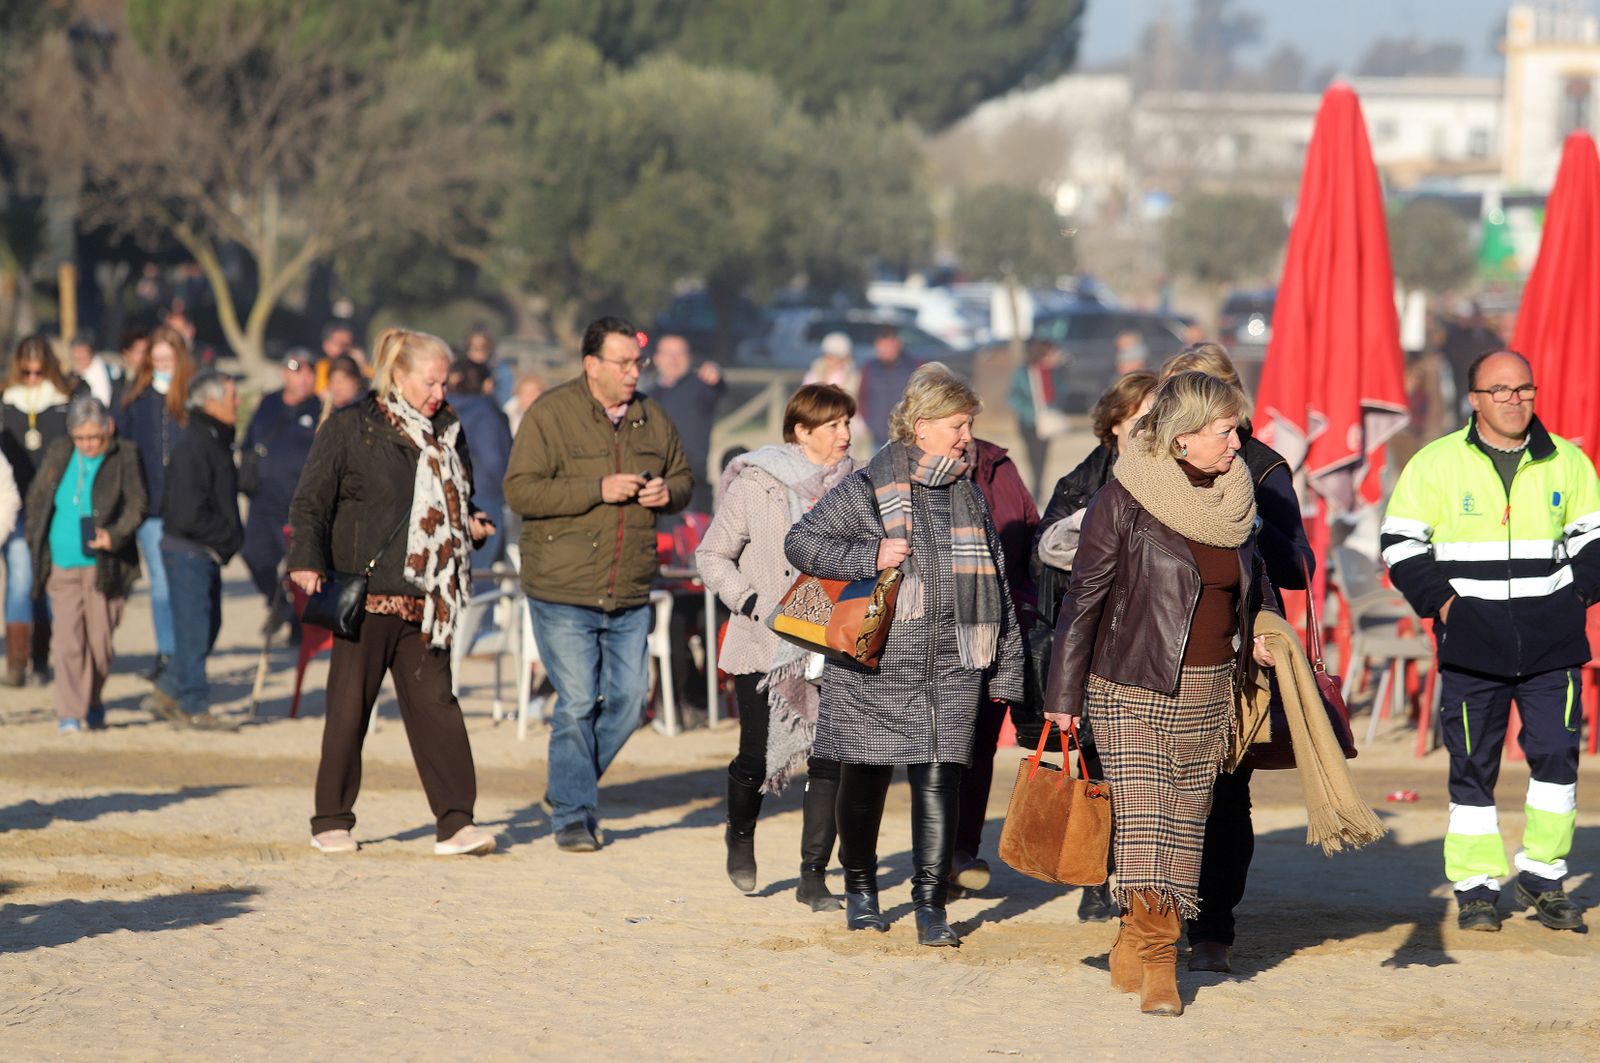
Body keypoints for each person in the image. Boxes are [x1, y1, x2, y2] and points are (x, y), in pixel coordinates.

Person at [1043, 371, 1279, 1016]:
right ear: (1183, 437)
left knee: (1185, 825)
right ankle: (1158, 959)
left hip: (1210, 688)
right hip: (1129, 684)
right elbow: (1083, 600)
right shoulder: (1122, 498)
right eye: (1226, 431)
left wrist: (1261, 630)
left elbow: (1250, 590)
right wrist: (1061, 695)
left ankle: (1132, 933)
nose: (1239, 443)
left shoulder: (1237, 501)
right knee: (1147, 822)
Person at [784, 363, 1024, 947]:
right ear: (922, 427)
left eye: (967, 425)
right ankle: (862, 890)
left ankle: (930, 904)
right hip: (873, 665)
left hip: (953, 665)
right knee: (863, 782)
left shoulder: (970, 494)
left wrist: (1010, 666)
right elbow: (803, 541)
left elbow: (997, 581)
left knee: (941, 782)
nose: (967, 436)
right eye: (958, 425)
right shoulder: (869, 485)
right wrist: (871, 553)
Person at [1381, 350, 1598, 934]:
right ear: (1474, 400)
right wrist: (1447, 606)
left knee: (1555, 756)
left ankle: (1544, 874)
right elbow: (1400, 543)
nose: (1513, 399)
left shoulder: (1570, 463)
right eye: (1498, 390)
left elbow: (1594, 540)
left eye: (1523, 388)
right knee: (1473, 765)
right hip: (1472, 648)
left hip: (1554, 648)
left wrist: (1572, 599)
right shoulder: (1435, 464)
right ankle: (1477, 887)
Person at [288, 327, 498, 857]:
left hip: (431, 596)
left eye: (444, 383)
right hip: (367, 593)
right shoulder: (351, 427)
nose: (440, 394)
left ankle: (456, 823)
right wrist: (306, 561)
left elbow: (458, 496)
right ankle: (331, 819)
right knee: (348, 709)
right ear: (398, 377)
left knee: (439, 708)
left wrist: (470, 521)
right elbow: (312, 501)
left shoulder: (449, 429)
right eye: (430, 382)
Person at [503, 315, 693, 852]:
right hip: (562, 587)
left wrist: (669, 495)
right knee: (580, 700)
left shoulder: (653, 418)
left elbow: (684, 477)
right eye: (624, 363)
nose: (635, 372)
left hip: (629, 585)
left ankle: (567, 784)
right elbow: (521, 492)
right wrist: (596, 488)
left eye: (639, 363)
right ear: (592, 365)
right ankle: (571, 815)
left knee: (631, 702)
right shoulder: (550, 414)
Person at [1156, 343, 1313, 971]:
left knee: (1223, 791)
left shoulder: (1263, 466)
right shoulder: (1141, 461)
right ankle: (1149, 917)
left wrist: (1245, 520)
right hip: (1154, 648)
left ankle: (1213, 926)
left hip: (1235, 651)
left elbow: (1295, 563)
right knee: (1150, 791)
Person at [695, 383, 859, 908]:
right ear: (801, 431)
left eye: (847, 423)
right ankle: (739, 834)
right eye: (832, 425)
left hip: (833, 643)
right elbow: (712, 555)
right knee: (756, 757)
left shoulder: (858, 485)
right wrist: (750, 603)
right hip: (764, 644)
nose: (845, 434)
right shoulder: (757, 483)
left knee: (830, 761)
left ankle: (813, 876)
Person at [1031, 370, 1158, 921]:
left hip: (1150, 643)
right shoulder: (1079, 485)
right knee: (1097, 767)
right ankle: (1095, 878)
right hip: (1094, 643)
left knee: (1145, 771)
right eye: (1139, 419)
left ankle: (1142, 879)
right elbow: (1048, 561)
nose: (1149, 428)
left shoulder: (1174, 482)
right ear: (1113, 425)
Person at [949, 433, 1039, 897]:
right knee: (943, 750)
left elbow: (1030, 535)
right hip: (941, 634)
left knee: (981, 744)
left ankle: (962, 851)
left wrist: (1024, 602)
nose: (963, 430)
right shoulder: (899, 469)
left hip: (1001, 631)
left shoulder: (1001, 467)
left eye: (966, 420)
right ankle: (938, 857)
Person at [23, 397, 145, 731]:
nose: (88, 444)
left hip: (104, 566)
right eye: (81, 438)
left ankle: (92, 700)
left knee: (100, 644)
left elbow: (137, 504)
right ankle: (69, 712)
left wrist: (114, 535)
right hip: (61, 563)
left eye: (94, 437)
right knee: (67, 641)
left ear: (108, 429)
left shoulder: (125, 454)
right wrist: (36, 541)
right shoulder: (60, 452)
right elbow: (37, 499)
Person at [143, 371, 242, 730]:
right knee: (194, 630)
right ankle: (193, 705)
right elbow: (186, 513)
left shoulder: (214, 439)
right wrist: (227, 537)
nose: (238, 402)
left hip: (202, 550)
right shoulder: (195, 445)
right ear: (211, 403)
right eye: (232, 395)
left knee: (207, 624)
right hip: (189, 550)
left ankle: (168, 690)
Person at [119, 325, 195, 683]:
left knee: (188, 584)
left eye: (169, 358)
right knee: (162, 585)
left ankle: (188, 652)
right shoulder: (137, 400)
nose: (163, 364)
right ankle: (168, 651)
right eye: (158, 358)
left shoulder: (192, 397)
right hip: (151, 510)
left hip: (187, 508)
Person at [1, 336, 72, 686]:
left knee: (42, 581)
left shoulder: (62, 403)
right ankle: (16, 662)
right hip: (13, 505)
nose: (31, 377)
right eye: (25, 370)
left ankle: (41, 658)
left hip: (52, 507)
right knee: (19, 580)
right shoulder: (6, 402)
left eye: (38, 370)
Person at [240, 350, 321, 640]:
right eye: (297, 371)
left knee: (299, 568)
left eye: (309, 372)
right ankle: (281, 608)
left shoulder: (320, 409)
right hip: (264, 499)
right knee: (254, 556)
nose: (303, 378)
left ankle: (300, 627)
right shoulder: (269, 403)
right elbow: (250, 439)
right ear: (284, 374)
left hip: (298, 503)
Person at [647, 334, 724, 514]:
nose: (673, 359)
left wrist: (715, 371)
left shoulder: (699, 387)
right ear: (657, 358)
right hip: (656, 488)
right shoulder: (647, 395)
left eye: (679, 353)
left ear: (689, 357)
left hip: (693, 488)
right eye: (668, 353)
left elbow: (717, 386)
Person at [446, 359, 512, 569]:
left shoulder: (443, 408)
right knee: (480, 580)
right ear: (486, 383)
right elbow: (493, 461)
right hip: (484, 498)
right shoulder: (485, 413)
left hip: (447, 497)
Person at [1007, 339, 1068, 499]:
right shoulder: (1024, 372)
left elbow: (1060, 394)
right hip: (1028, 422)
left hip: (1047, 421)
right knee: (1032, 456)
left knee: (1042, 456)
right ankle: (1035, 489)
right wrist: (1031, 413)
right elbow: (1013, 397)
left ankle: (1038, 490)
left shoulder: (1055, 373)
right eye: (1051, 352)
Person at [856, 324, 919, 448]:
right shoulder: (870, 368)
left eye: (886, 346)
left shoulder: (914, 366)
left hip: (906, 437)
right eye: (880, 346)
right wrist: (869, 422)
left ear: (897, 344)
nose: (883, 351)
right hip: (878, 437)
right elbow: (862, 396)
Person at [67, 331, 125, 410]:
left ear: (91, 353)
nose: (79, 361)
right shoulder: (74, 374)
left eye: (83, 358)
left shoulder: (99, 374)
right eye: (76, 358)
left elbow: (103, 404)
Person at [464, 324, 516, 408]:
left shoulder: (500, 370)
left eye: (482, 348)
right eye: (473, 347)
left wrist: (489, 394)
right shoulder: (462, 368)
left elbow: (504, 401)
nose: (477, 353)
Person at [323, 354, 367, 419]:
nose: (336, 387)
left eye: (341, 382)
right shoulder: (326, 411)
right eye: (332, 381)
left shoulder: (366, 411)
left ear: (356, 382)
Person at [503, 372, 544, 437]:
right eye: (526, 392)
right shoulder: (509, 417)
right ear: (518, 395)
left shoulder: (548, 418)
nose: (531, 396)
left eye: (534, 391)